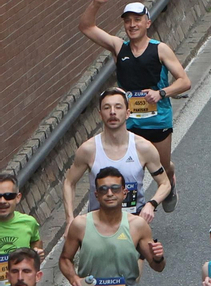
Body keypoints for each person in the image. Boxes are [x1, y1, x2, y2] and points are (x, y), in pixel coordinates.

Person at [77, 0, 190, 213]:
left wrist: (161, 93)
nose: (132, 25)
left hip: (157, 119)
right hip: (127, 121)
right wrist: (96, 4)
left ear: (147, 23)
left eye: (137, 20)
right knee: (125, 169)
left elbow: (185, 81)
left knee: (162, 165)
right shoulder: (119, 47)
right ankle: (130, 211)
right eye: (127, 20)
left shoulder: (160, 49)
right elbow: (86, 26)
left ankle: (170, 179)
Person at [58, 165, 165, 286]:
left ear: (124, 193)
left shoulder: (137, 225)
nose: (109, 193)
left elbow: (158, 266)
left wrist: (158, 257)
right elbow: (64, 259)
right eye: (103, 189)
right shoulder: (80, 225)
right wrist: (74, 279)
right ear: (96, 195)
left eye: (115, 188)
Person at [60, 89, 169, 226]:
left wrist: (151, 204)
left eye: (118, 107)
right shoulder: (88, 149)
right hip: (98, 224)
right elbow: (69, 183)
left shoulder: (143, 148)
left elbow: (165, 183)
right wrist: (70, 219)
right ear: (100, 114)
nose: (112, 112)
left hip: (134, 222)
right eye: (107, 108)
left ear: (128, 113)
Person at [0, 175, 41, 286]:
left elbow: (36, 240)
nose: (2, 201)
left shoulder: (29, 222)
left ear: (18, 198)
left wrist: (36, 252)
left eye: (8, 196)